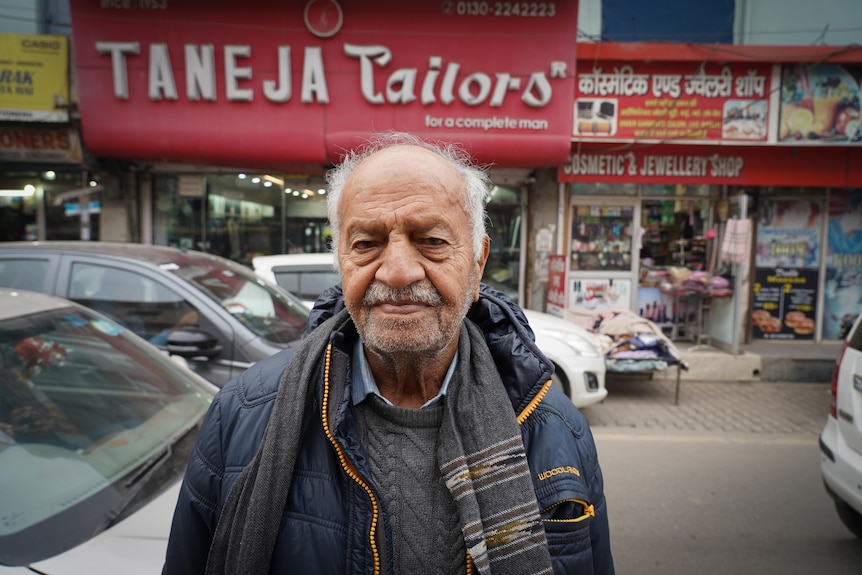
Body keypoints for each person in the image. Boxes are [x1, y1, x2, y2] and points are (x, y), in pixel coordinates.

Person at [162, 132, 615, 574]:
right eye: (366, 244)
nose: (398, 272)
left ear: (478, 262)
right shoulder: (240, 416)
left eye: (432, 241)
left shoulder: (555, 429)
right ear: (341, 260)